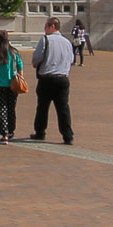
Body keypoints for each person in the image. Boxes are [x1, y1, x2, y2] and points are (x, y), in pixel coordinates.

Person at [30, 17, 75, 145]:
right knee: (63, 108)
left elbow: (36, 59)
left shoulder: (45, 40)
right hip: (63, 78)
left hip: (47, 78)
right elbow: (71, 59)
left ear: (52, 27)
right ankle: (67, 135)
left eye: (46, 26)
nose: (44, 29)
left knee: (43, 107)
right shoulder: (67, 42)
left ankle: (40, 132)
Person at [0, 30, 21, 143]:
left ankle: (4, 133)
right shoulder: (14, 52)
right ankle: (11, 130)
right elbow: (20, 66)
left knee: (2, 108)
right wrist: (20, 78)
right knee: (11, 108)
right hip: (12, 84)